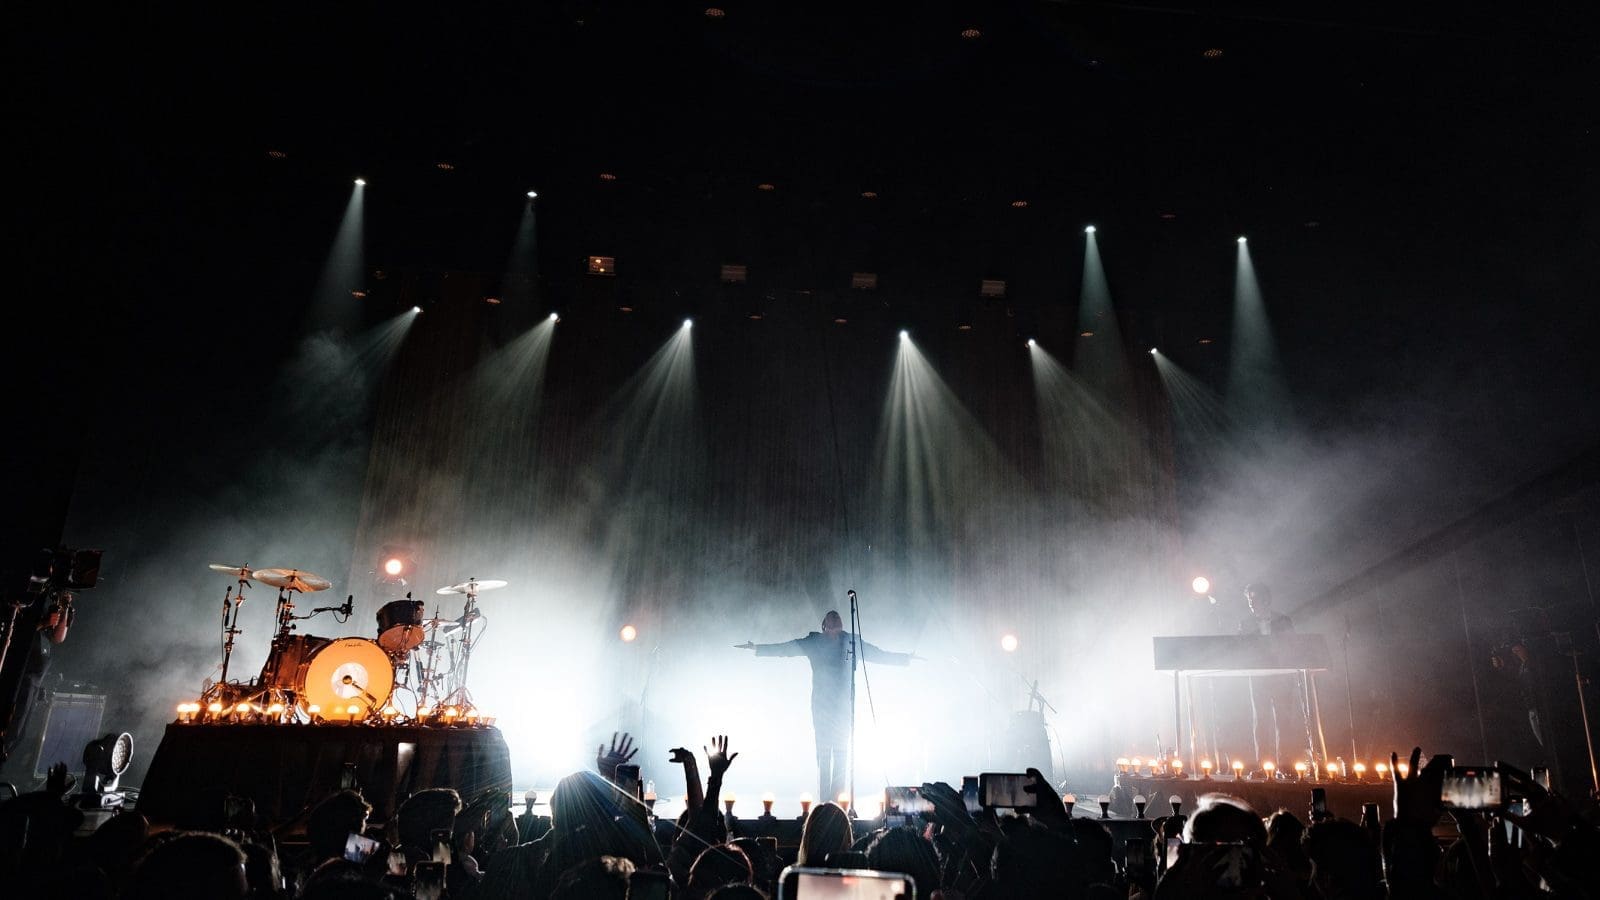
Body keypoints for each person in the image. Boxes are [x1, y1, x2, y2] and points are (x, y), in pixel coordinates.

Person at [737, 610, 915, 799]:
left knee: (840, 756)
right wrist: (758, 648)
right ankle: (824, 802)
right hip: (822, 708)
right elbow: (786, 649)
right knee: (824, 756)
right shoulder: (813, 643)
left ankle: (838, 803)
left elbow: (877, 654)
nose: (833, 632)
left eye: (836, 626)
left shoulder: (850, 642)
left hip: (843, 709)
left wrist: (904, 659)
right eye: (830, 627)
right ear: (824, 627)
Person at [1235, 583, 1302, 768]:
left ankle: (1285, 765)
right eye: (1249, 599)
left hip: (1282, 676)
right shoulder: (1245, 623)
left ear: (1266, 599)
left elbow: (1294, 646)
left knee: (1284, 721)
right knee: (1261, 721)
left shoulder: (1284, 621)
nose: (1251, 603)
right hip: (1258, 677)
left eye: (1254, 598)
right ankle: (1264, 765)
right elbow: (1240, 649)